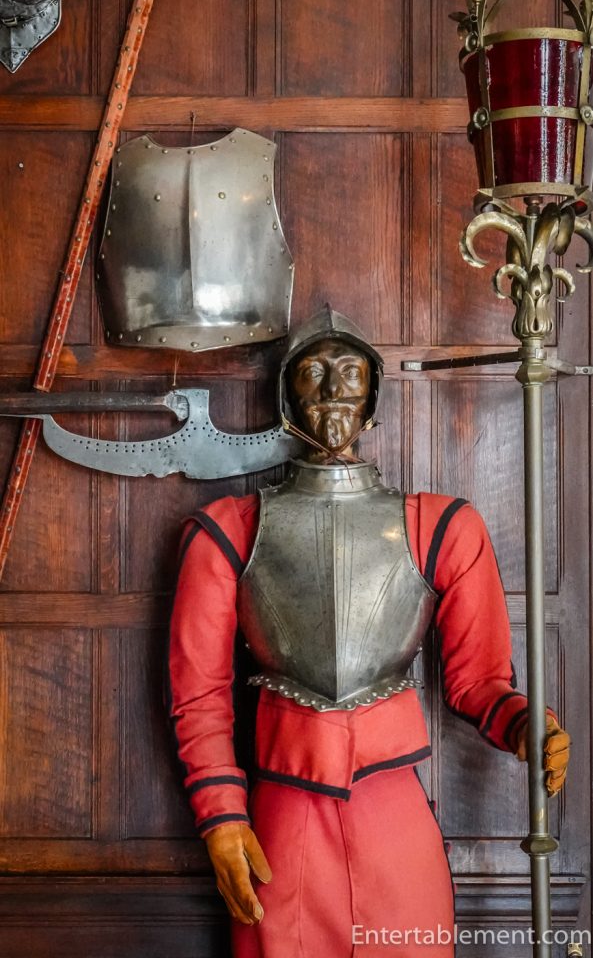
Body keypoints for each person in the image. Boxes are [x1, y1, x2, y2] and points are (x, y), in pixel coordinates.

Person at [168, 306, 570, 958]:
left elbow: (478, 683)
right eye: (312, 373)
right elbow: (199, 697)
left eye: (349, 372)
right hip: (280, 820)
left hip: (394, 814)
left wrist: (526, 724)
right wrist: (220, 814)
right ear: (286, 395)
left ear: (373, 395)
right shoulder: (226, 531)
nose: (332, 390)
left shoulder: (443, 527)